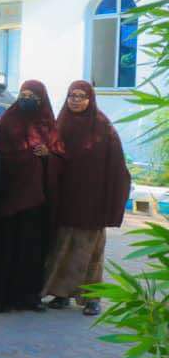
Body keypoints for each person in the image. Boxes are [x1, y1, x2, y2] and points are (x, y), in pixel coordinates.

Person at [44, 81, 130, 316]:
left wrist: (111, 202)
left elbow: (117, 168)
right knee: (62, 248)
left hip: (92, 202)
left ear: (90, 99)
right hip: (67, 199)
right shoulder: (60, 123)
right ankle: (61, 293)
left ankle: (91, 298)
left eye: (81, 96)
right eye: (72, 95)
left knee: (90, 251)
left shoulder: (102, 127)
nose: (75, 100)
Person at [0, 80, 63, 313]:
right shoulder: (6, 123)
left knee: (32, 250)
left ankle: (30, 297)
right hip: (9, 198)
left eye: (32, 95)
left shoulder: (49, 126)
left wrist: (48, 155)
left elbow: (62, 159)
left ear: (42, 99)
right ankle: (2, 298)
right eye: (23, 93)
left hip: (36, 200)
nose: (26, 98)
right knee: (6, 247)